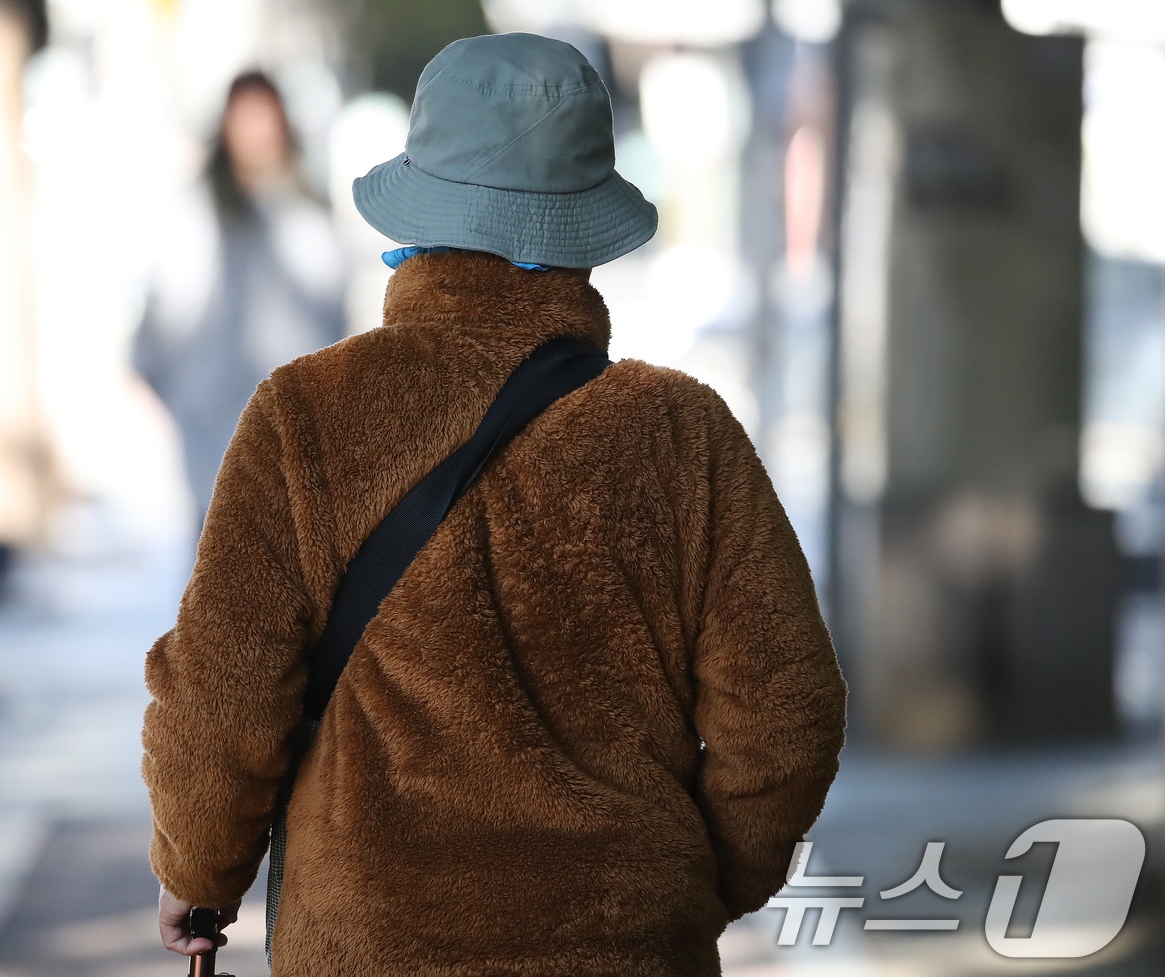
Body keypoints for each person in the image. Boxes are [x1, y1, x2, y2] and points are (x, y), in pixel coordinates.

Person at [142, 33, 846, 977]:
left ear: (420, 211)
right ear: (585, 223)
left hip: (372, 944)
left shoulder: (306, 415)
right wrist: (687, 882)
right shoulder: (683, 432)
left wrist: (197, 873)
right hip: (627, 945)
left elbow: (222, 694)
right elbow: (789, 713)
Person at [135, 71, 345, 528]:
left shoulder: (308, 213)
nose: (257, 133)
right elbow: (155, 331)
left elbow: (336, 326)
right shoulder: (193, 215)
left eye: (265, 117)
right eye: (245, 119)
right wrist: (187, 403)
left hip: (297, 447)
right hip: (213, 444)